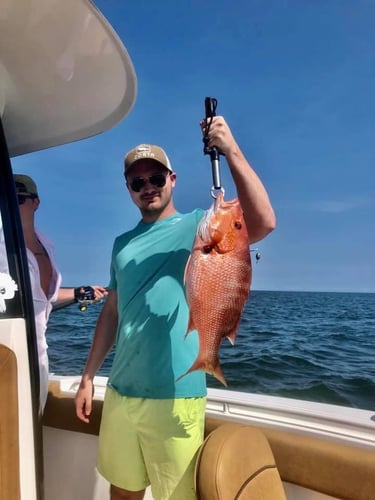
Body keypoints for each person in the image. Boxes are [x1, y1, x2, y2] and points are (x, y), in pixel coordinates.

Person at [75, 116, 276, 500]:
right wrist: (88, 377)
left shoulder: (200, 226)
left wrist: (230, 148)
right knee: (122, 493)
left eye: (156, 178)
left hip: (176, 395)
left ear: (173, 179)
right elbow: (112, 312)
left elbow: (264, 221)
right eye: (138, 182)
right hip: (121, 392)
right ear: (129, 189)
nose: (148, 187)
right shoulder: (122, 244)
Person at [0, 174, 107, 411]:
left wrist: (79, 293)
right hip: (6, 358)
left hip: (39, 358)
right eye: (4, 200)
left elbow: (40, 299)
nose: (10, 206)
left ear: (35, 202)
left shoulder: (46, 243)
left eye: (18, 199)